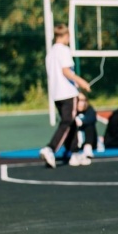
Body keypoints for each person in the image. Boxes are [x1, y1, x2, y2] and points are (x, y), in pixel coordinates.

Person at [40, 23, 92, 168]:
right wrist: (82, 83)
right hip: (67, 93)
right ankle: (50, 148)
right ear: (65, 35)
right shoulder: (64, 50)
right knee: (67, 122)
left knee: (71, 122)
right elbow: (66, 71)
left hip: (56, 94)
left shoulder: (51, 53)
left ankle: (74, 153)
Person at [75, 93, 100, 158]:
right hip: (75, 141)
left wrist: (82, 122)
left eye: (83, 100)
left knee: (89, 125)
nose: (81, 103)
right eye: (79, 100)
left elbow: (93, 118)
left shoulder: (89, 109)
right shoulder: (71, 111)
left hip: (89, 141)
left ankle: (88, 147)